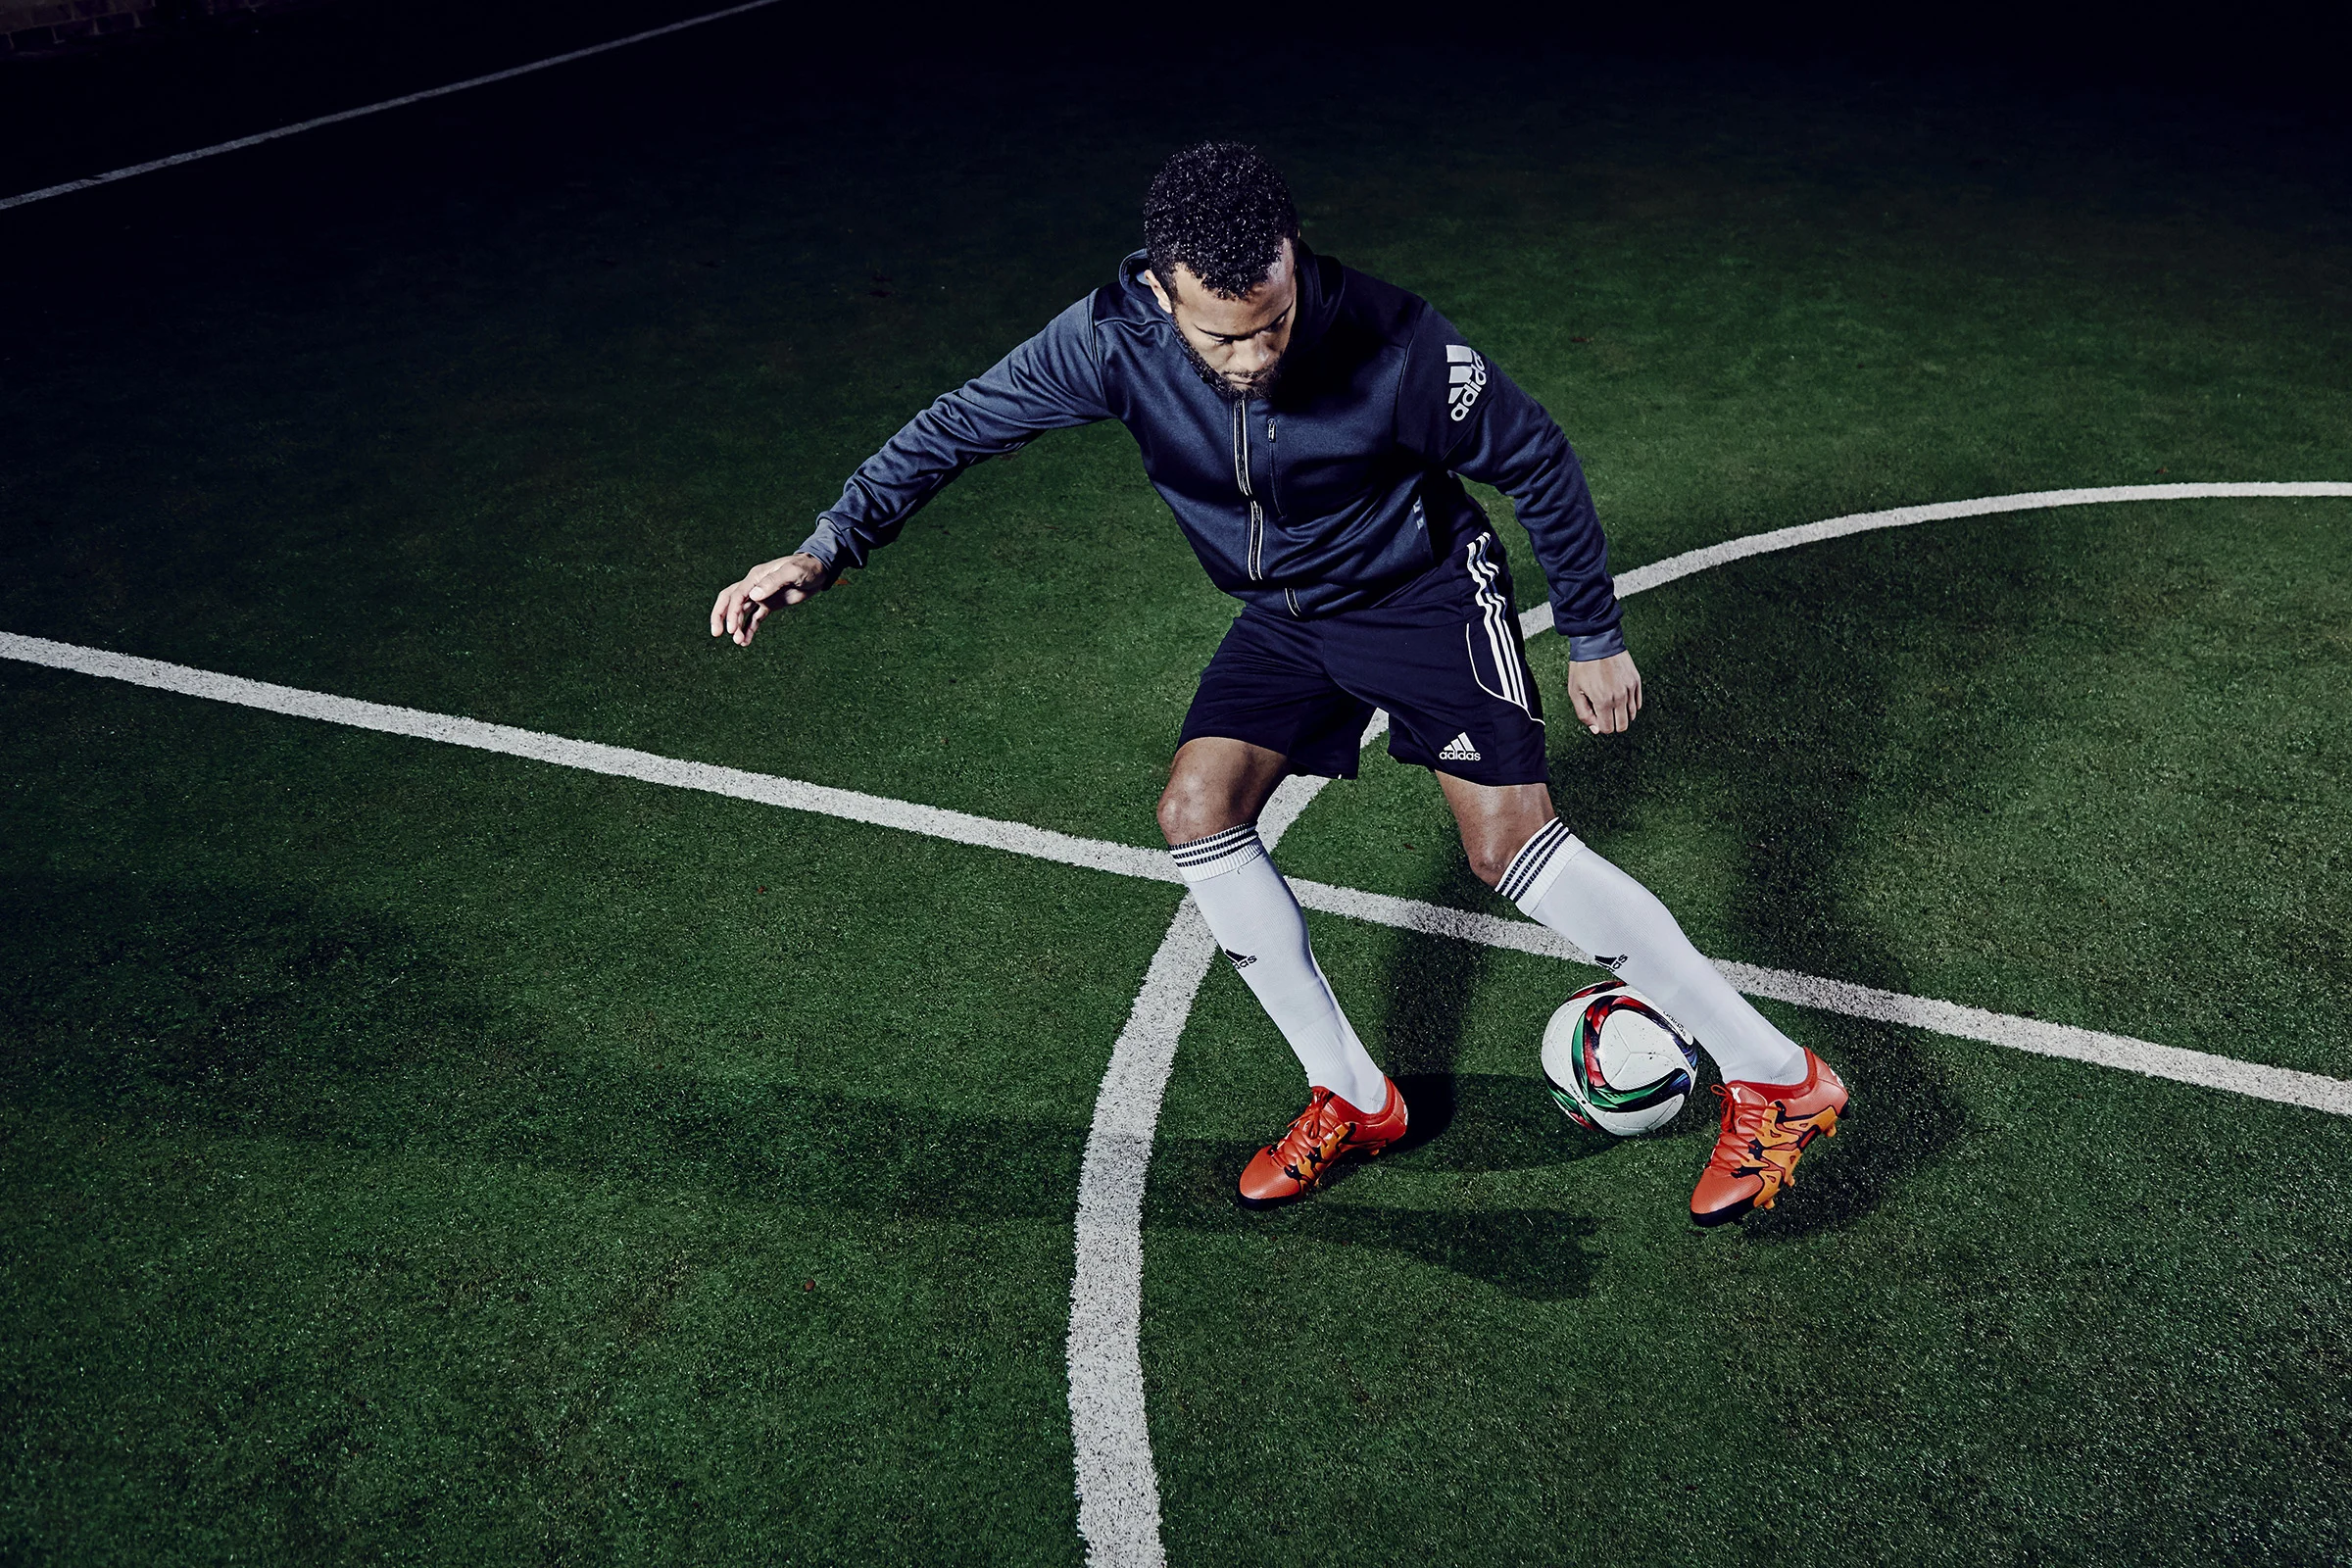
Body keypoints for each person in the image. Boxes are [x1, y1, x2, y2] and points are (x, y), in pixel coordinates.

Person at [710, 141, 1846, 1225]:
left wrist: (1594, 633)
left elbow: (1536, 456)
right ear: (1162, 296)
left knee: (1509, 850)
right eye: (1224, 340)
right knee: (1196, 811)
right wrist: (825, 546)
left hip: (1423, 598)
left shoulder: (1399, 346)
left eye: (1271, 326)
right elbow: (958, 426)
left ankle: (1776, 1076)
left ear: (1293, 259)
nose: (1253, 358)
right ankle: (1354, 1095)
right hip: (1287, 617)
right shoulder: (1106, 341)